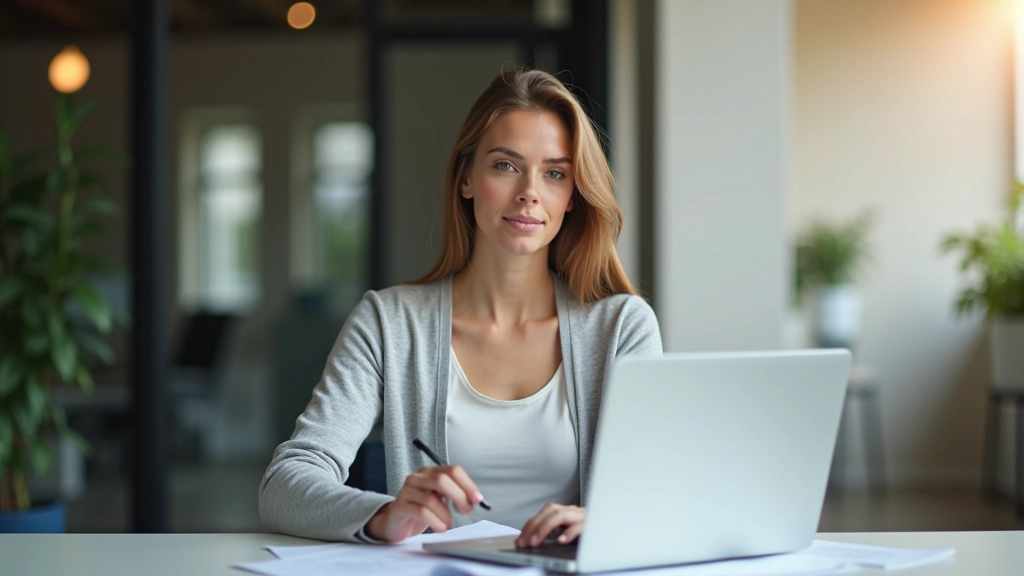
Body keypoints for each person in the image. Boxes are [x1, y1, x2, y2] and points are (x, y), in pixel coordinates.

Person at [259, 68, 662, 548]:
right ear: (466, 178)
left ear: (572, 196)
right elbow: (284, 484)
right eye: (505, 165)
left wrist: (606, 521)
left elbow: (658, 494)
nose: (529, 191)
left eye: (555, 173)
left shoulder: (621, 327)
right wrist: (384, 514)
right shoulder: (389, 323)